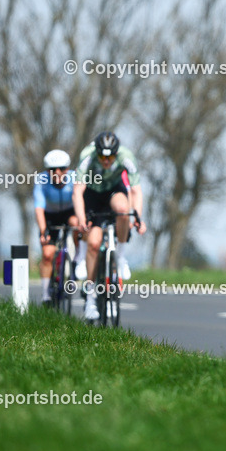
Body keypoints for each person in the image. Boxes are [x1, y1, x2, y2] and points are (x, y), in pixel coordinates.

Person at [72, 131, 146, 321]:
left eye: (110, 156)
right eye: (102, 156)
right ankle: (90, 298)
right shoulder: (87, 157)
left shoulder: (126, 157)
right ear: (96, 152)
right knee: (94, 243)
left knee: (123, 209)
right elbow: (78, 191)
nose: (106, 161)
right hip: (92, 195)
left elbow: (136, 191)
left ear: (117, 152)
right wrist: (81, 219)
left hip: (114, 192)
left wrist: (137, 217)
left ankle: (120, 257)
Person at [34, 149, 80, 306]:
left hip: (69, 213)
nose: (57, 172)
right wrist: (43, 230)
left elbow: (81, 201)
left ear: (68, 169)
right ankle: (46, 293)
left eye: (62, 168)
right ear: (47, 170)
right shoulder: (41, 180)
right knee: (47, 254)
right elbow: (39, 208)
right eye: (53, 169)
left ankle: (77, 259)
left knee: (76, 224)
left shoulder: (75, 178)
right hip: (50, 216)